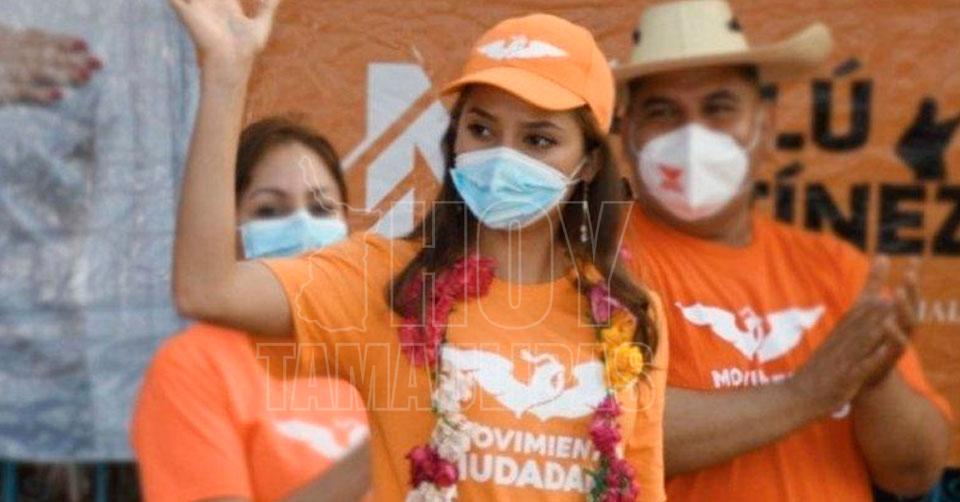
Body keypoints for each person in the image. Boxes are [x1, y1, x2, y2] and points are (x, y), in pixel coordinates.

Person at [167, 0, 669, 500]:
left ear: (588, 163)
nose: (502, 157)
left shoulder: (628, 317)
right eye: (481, 129)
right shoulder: (386, 283)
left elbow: (641, 485)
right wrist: (226, 73)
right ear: (454, 140)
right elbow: (208, 289)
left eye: (538, 140)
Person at [614, 1, 953, 501]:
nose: (692, 135)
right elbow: (608, 432)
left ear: (766, 127)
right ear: (627, 135)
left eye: (719, 107)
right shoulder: (601, 261)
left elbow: (915, 473)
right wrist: (807, 392)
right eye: (662, 112)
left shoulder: (836, 267)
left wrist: (874, 381)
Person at [131, 117, 371, 502]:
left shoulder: (381, 350)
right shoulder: (194, 365)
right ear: (226, 231)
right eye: (270, 211)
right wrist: (377, 454)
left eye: (321, 208)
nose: (302, 227)